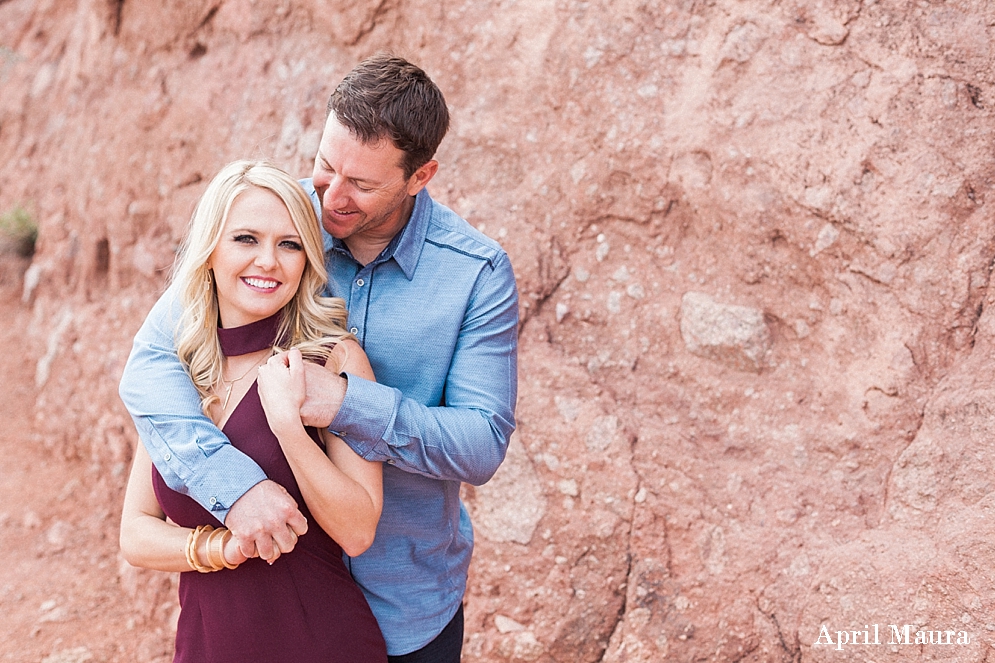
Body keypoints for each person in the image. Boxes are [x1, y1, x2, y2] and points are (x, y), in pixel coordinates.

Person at [119, 54, 519, 662]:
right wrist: (236, 489)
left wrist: (345, 402)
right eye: (325, 166)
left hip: (403, 597)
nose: (330, 196)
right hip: (256, 606)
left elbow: (483, 442)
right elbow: (153, 363)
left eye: (361, 183)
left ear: (420, 176)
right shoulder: (274, 222)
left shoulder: (475, 274)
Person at [118, 160, 388, 663]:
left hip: (321, 642)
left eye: (289, 244)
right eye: (246, 239)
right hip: (207, 645)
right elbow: (135, 533)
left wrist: (287, 428)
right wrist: (222, 549)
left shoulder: (332, 358)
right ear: (211, 249)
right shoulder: (178, 371)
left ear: (307, 259)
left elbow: (358, 531)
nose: (269, 261)